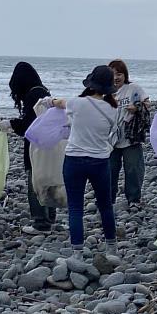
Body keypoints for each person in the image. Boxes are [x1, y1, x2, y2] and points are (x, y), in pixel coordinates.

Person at [50, 66, 118, 258]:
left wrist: (49, 101)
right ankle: (111, 247)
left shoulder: (77, 103)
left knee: (75, 207)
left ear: (91, 84)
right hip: (100, 161)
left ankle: (77, 252)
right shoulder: (113, 109)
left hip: (74, 160)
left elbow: (59, 103)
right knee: (105, 205)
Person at [0, 62, 56, 235]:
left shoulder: (32, 95)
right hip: (50, 144)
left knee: (35, 183)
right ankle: (50, 219)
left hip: (37, 146)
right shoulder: (43, 92)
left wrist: (10, 124)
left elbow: (29, 125)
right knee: (48, 181)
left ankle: (40, 223)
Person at [108, 59, 150, 211]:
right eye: (112, 74)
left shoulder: (133, 88)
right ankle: (108, 199)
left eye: (119, 74)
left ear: (125, 75)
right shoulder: (105, 91)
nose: (116, 78)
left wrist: (136, 107)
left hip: (130, 136)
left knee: (133, 168)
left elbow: (147, 103)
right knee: (110, 169)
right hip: (111, 138)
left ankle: (134, 199)